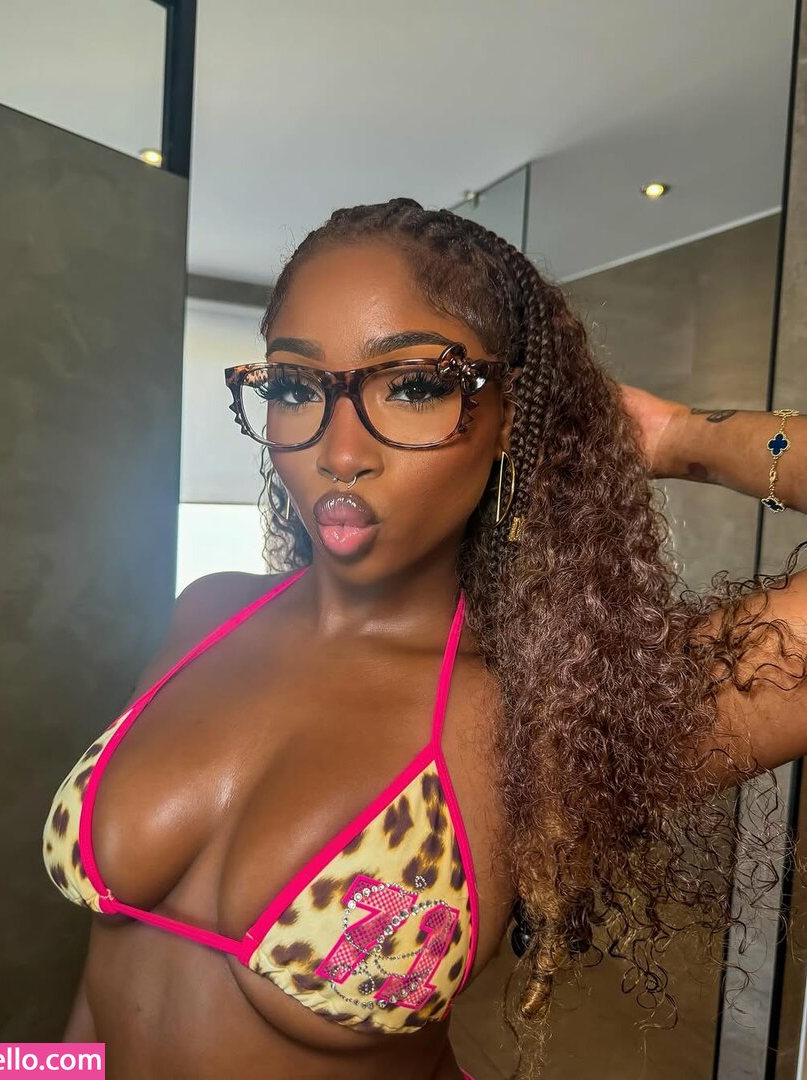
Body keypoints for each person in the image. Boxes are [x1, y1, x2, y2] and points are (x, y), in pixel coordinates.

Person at [42, 198, 807, 1080]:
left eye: (411, 386)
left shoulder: (550, 714)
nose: (340, 453)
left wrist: (681, 437)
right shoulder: (207, 613)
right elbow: (92, 1013)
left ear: (510, 416)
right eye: (294, 386)